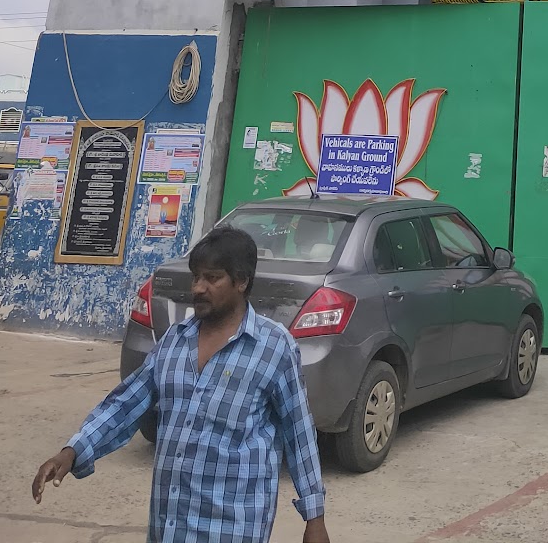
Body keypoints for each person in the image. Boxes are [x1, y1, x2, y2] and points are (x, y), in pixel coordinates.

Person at [32, 225, 331, 543]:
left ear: (241, 281)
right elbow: (126, 404)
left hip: (234, 527)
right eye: (196, 277)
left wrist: (315, 519)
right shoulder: (174, 342)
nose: (199, 288)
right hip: (170, 526)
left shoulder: (273, 346)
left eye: (212, 278)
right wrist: (72, 451)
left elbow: (298, 433)